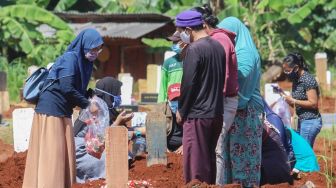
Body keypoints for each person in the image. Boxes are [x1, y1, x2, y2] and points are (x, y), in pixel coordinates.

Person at [23, 29, 103, 188]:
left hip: (63, 112)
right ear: (84, 45)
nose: (95, 52)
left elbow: (75, 88)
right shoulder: (70, 59)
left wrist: (89, 95)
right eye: (92, 48)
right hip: (51, 112)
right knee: (53, 156)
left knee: (62, 155)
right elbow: (67, 88)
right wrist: (88, 105)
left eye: (98, 49)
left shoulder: (84, 63)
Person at [175, 10, 225, 184]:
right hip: (217, 113)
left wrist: (182, 110)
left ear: (188, 30)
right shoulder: (218, 46)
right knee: (209, 162)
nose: (180, 35)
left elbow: (188, 83)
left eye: (180, 30)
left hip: (197, 115)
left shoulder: (195, 49)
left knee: (195, 166)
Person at [192, 5, 239, 185]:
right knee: (211, 146)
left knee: (217, 147)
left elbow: (223, 76)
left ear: (203, 24)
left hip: (222, 100)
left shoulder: (219, 40)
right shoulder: (214, 39)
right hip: (216, 99)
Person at [218, 17, 264, 187]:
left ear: (235, 35)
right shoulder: (237, 51)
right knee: (232, 157)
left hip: (246, 112)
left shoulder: (245, 53)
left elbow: (240, 80)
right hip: (236, 111)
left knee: (244, 160)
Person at [74, 77, 137, 183]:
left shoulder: (101, 107)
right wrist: (117, 123)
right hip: (81, 153)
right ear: (109, 93)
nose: (119, 98)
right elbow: (96, 144)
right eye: (117, 94)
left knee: (123, 154)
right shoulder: (94, 109)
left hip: (91, 147)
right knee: (117, 158)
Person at [281, 53, 322, 147]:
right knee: (296, 151)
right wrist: (288, 100)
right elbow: (295, 101)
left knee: (304, 152)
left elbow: (313, 103)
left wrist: (293, 101)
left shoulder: (307, 80)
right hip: (299, 120)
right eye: (284, 70)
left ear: (296, 68)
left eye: (288, 71)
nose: (286, 73)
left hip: (309, 121)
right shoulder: (296, 79)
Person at [158, 31, 187, 153]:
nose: (174, 44)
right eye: (173, 42)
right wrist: (161, 106)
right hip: (171, 100)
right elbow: (163, 87)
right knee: (169, 126)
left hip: (186, 101)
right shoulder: (168, 63)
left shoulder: (192, 59)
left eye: (176, 42)